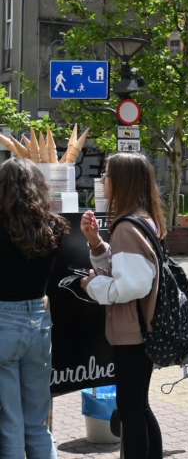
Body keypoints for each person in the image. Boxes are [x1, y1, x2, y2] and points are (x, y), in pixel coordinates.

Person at [81, 153, 167, 459]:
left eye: (107, 174)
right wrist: (96, 243)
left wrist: (93, 286)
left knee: (131, 411)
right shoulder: (143, 220)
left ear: (121, 181)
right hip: (143, 328)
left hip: (133, 332)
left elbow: (131, 285)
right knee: (139, 407)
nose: (103, 180)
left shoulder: (127, 227)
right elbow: (127, 269)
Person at [0, 158, 70, 458]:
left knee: (9, 422)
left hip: (4, 321)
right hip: (39, 322)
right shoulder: (53, 226)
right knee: (37, 423)